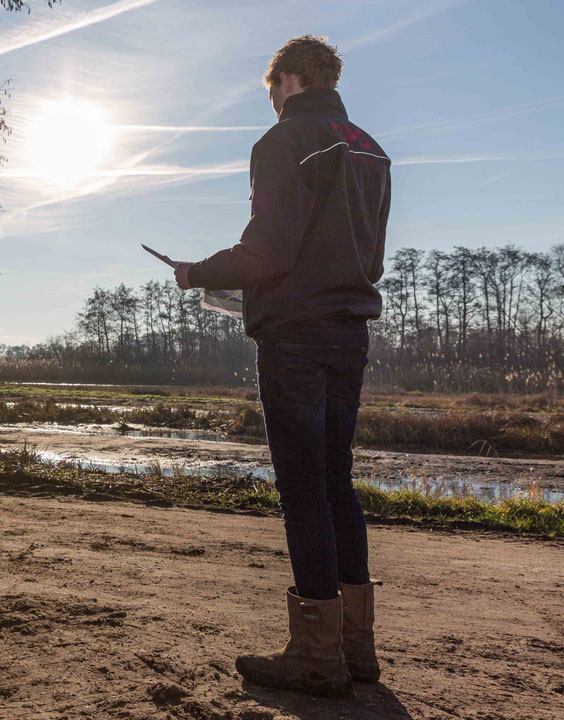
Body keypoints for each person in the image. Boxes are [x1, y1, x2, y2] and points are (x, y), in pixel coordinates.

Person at [172, 35, 389, 698]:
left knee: (302, 488)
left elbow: (268, 250)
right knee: (335, 481)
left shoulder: (283, 141)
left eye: (270, 90)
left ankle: (317, 657)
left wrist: (197, 273)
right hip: (349, 331)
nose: (270, 102)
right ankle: (356, 648)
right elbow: (360, 252)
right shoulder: (370, 148)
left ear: (286, 80)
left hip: (295, 335)